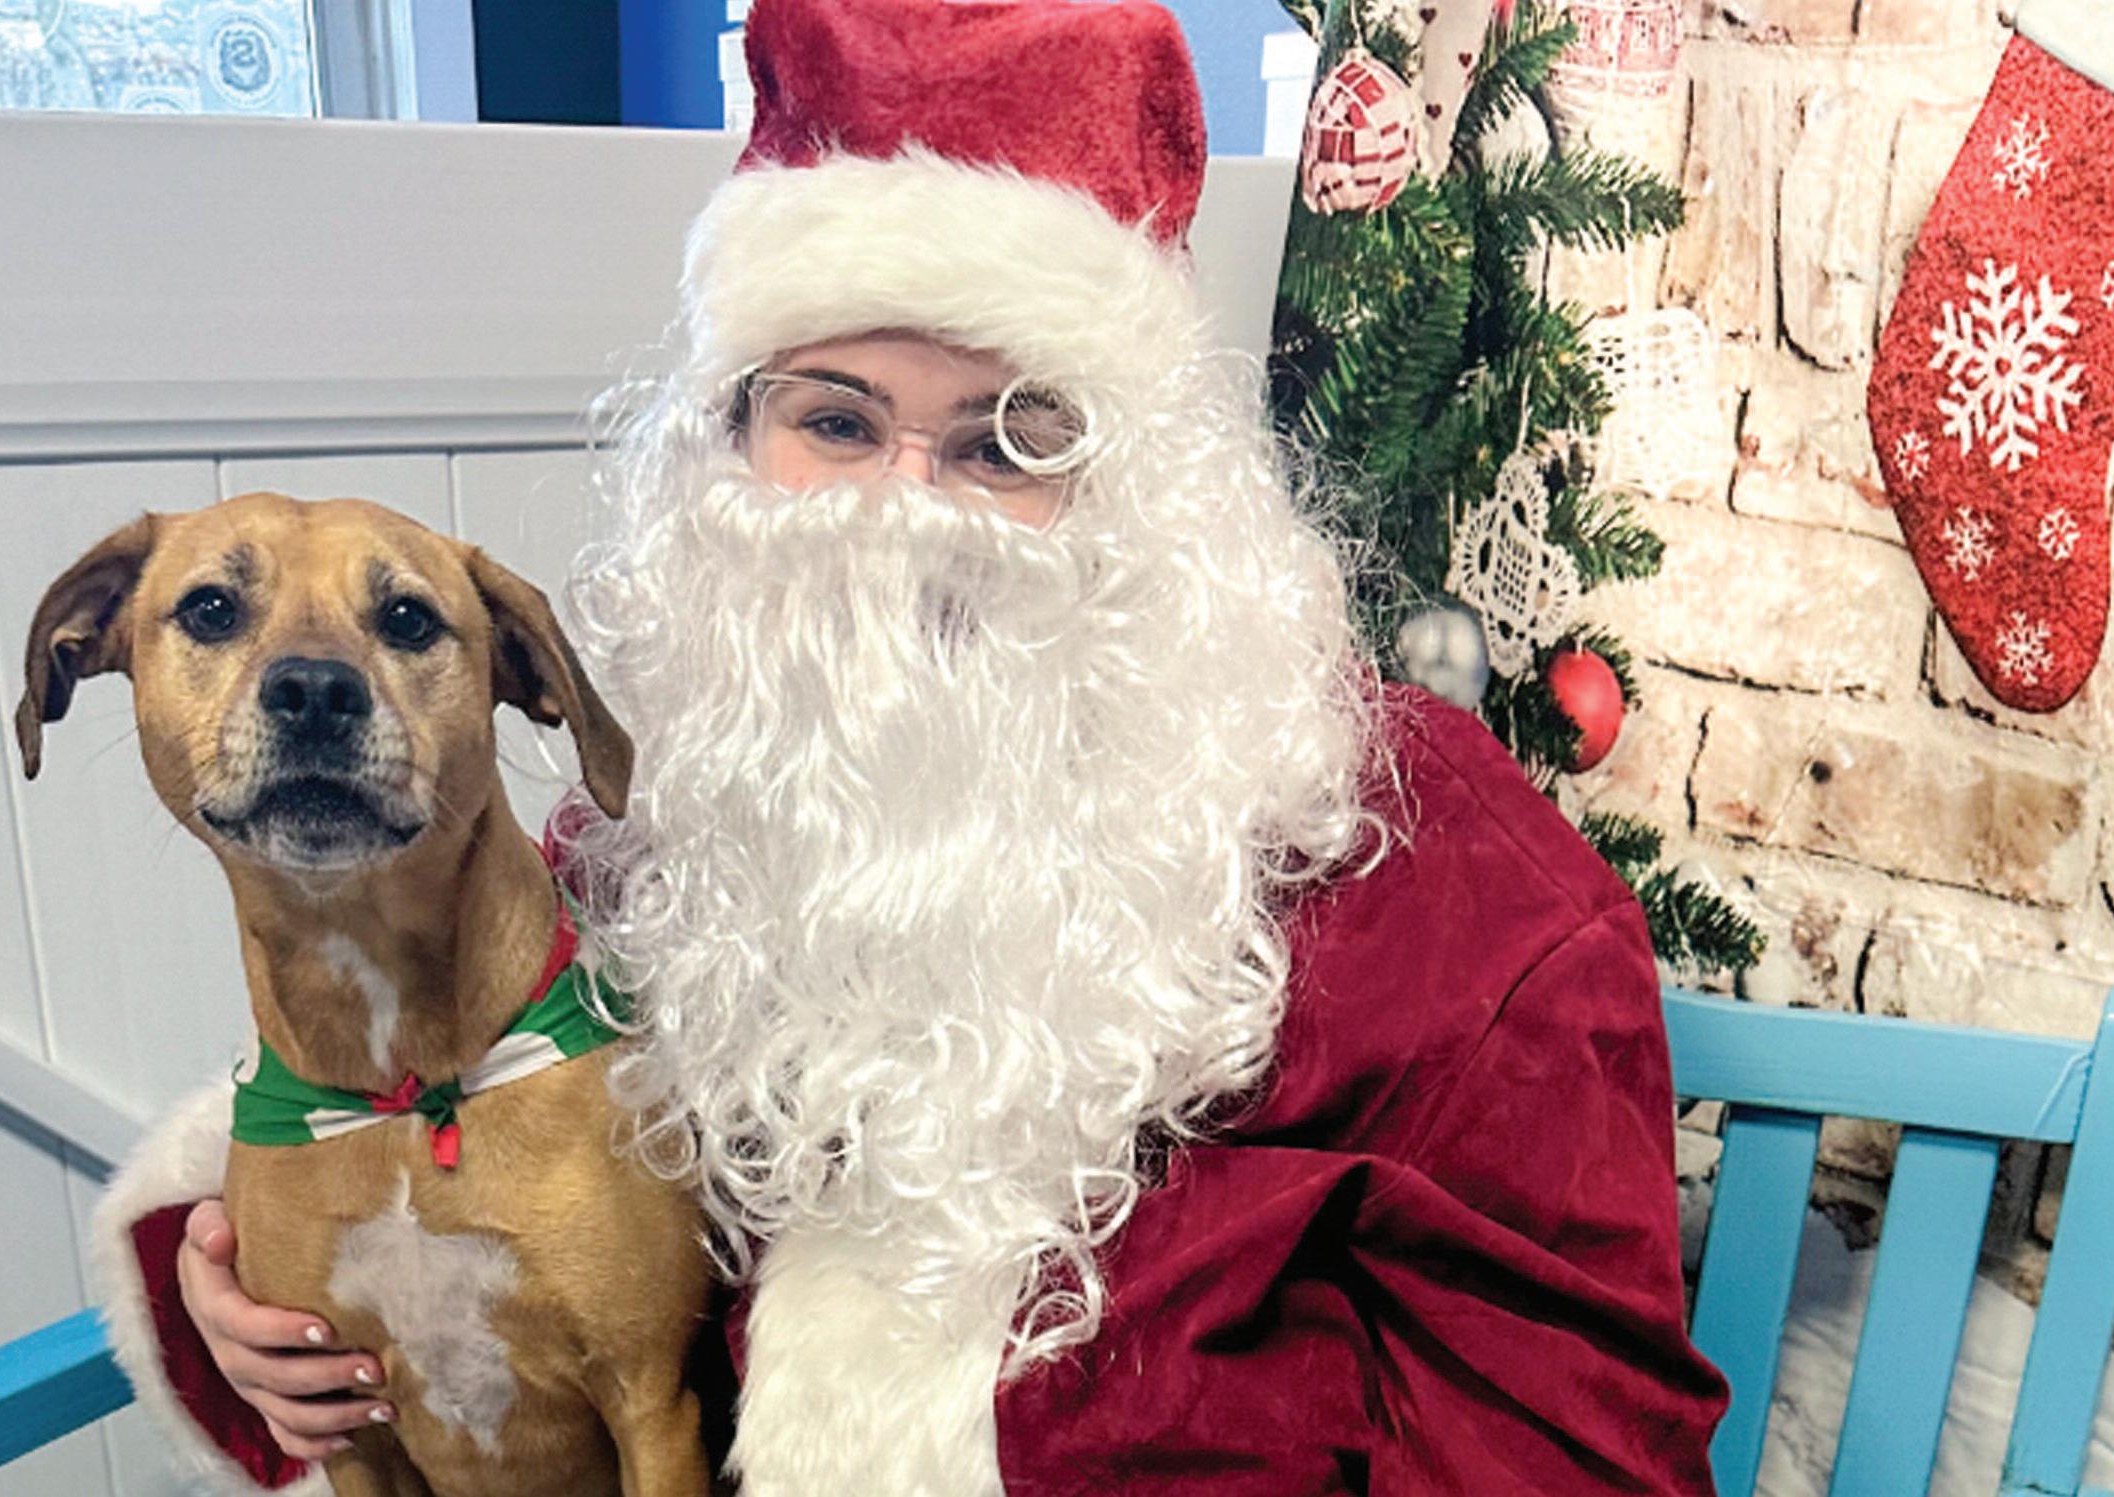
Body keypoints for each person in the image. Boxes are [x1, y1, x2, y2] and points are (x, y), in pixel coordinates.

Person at [93, 0, 1729, 1491]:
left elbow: (1572, 1444)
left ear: (1146, 491)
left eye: (1011, 438)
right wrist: (235, 1294)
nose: (907, 514)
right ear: (730, 446)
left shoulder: (1426, 870)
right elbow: (405, 1096)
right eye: (835, 421)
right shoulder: (678, 815)